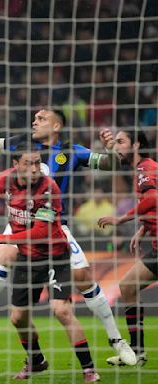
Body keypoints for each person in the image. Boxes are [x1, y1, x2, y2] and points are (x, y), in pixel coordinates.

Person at [0, 108, 136, 365]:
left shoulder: (71, 151)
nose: (35, 121)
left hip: (55, 226)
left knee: (83, 277)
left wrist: (109, 149)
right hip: (21, 222)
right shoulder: (23, 145)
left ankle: (117, 340)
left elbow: (110, 164)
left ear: (56, 126)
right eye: (35, 118)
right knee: (6, 252)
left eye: (42, 119)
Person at [0, 142, 100, 382]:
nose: (36, 168)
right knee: (17, 318)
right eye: (29, 163)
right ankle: (36, 361)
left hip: (55, 256)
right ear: (16, 166)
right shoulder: (6, 180)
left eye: (38, 162)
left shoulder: (48, 188)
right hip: (28, 259)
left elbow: (40, 233)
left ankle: (88, 368)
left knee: (61, 311)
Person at [98, 129, 156, 366]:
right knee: (128, 287)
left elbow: (153, 199)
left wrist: (122, 219)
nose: (117, 146)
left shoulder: (145, 168)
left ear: (136, 145)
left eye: (121, 142)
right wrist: (143, 228)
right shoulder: (142, 169)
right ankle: (138, 351)